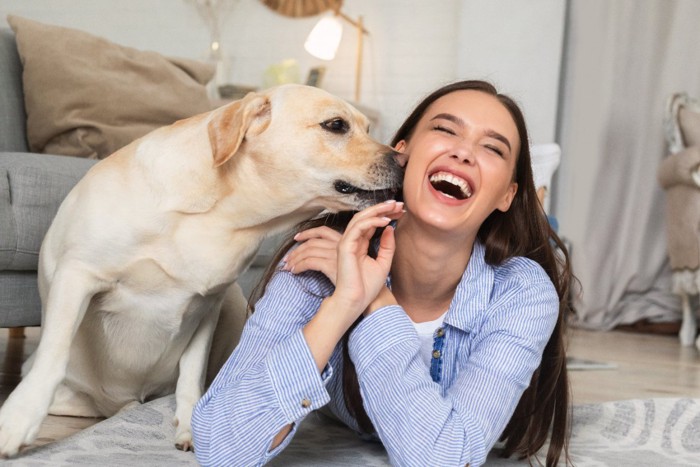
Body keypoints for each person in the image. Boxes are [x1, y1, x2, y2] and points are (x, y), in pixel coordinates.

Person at [191, 80, 573, 467]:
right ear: (400, 154)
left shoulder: (522, 292)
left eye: (492, 148)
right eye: (445, 129)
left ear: (507, 195)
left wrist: (374, 300)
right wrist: (342, 303)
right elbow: (220, 448)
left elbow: (444, 460)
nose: (463, 152)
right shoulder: (320, 255)